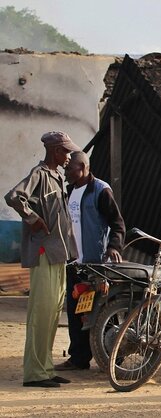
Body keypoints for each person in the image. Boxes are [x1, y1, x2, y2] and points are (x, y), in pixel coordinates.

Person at [5, 131, 80, 388]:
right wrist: (33, 219)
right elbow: (14, 197)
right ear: (54, 151)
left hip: (59, 253)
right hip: (44, 252)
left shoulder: (57, 176)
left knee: (52, 314)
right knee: (40, 313)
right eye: (65, 151)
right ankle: (35, 373)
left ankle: (45, 369)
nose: (69, 156)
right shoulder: (38, 174)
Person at [56, 151, 126, 372]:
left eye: (70, 168)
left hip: (97, 265)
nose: (66, 173)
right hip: (75, 263)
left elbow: (117, 223)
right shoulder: (69, 191)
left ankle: (114, 357)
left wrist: (114, 246)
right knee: (76, 311)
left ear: (83, 167)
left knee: (104, 311)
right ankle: (78, 358)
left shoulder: (100, 190)